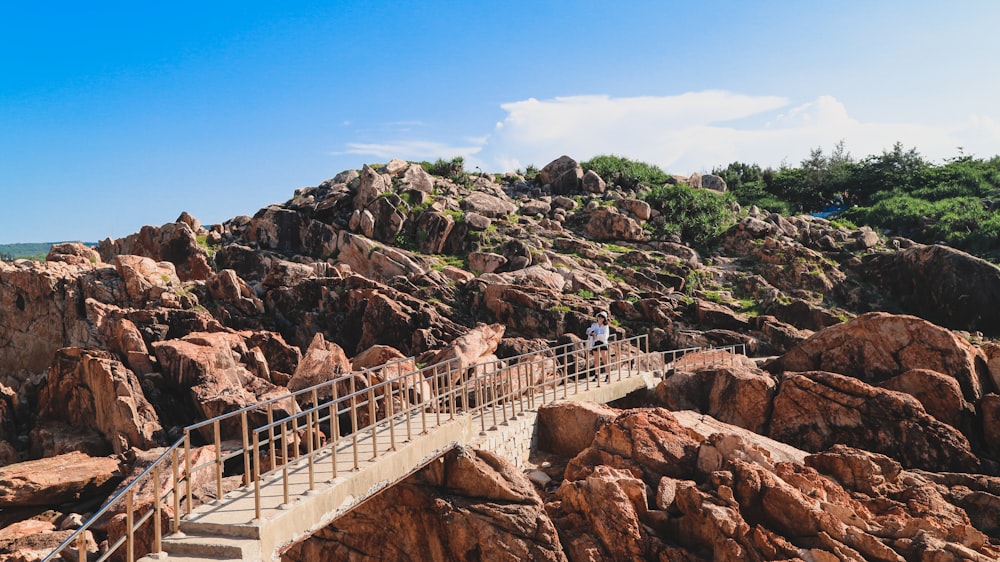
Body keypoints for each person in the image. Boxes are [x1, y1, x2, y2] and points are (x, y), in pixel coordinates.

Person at [586, 312, 611, 379]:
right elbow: (589, 331)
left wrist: (597, 335)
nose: (600, 318)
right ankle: (596, 374)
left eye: (602, 317)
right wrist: (592, 333)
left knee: (604, 359)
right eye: (599, 317)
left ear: (604, 319)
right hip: (595, 342)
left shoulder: (605, 326)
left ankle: (607, 374)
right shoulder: (594, 325)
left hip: (603, 343)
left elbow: (605, 336)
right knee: (596, 360)